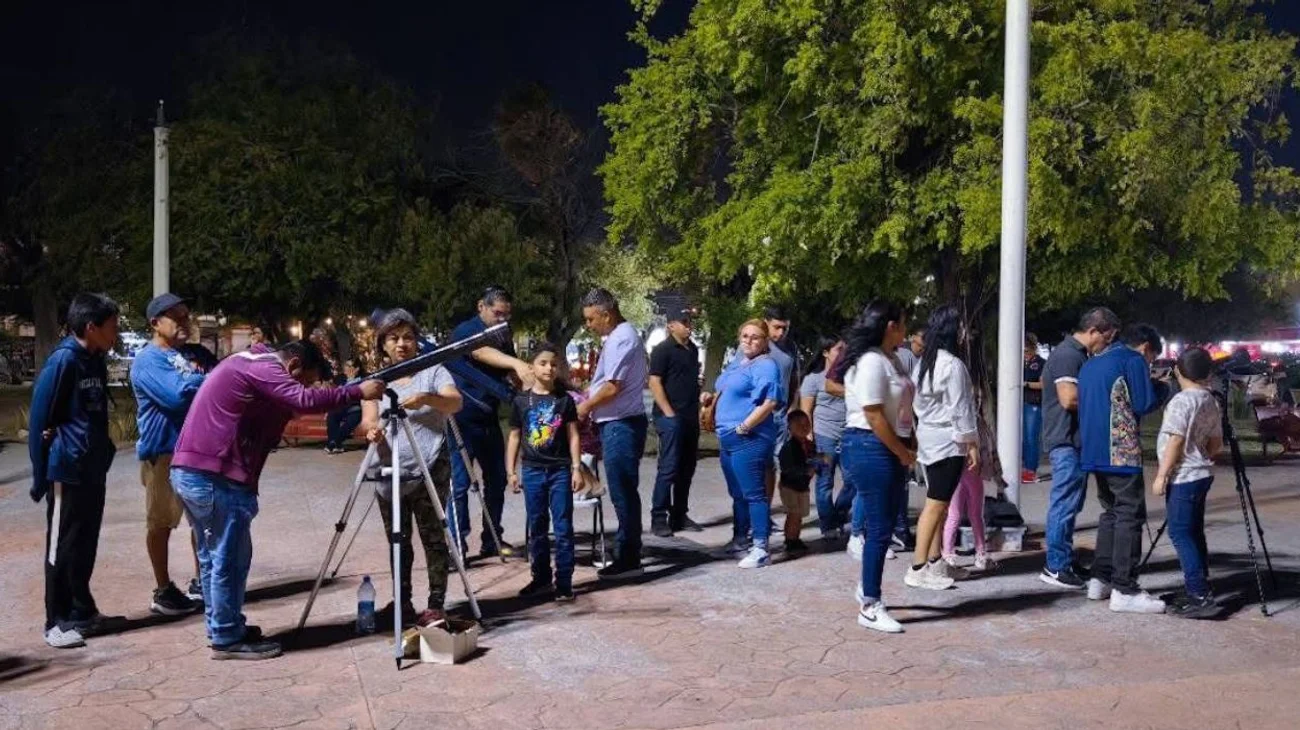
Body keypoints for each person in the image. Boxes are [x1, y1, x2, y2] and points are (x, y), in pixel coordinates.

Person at [171, 340, 384, 660]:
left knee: (215, 558)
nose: (304, 387)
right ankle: (227, 638)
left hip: (197, 472)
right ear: (294, 366)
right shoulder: (263, 366)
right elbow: (301, 398)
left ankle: (223, 627)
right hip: (215, 476)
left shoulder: (248, 363)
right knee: (229, 559)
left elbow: (286, 406)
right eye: (306, 380)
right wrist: (357, 392)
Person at [28, 294, 120, 649]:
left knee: (85, 544)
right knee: (62, 547)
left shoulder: (94, 359)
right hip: (67, 471)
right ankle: (56, 620)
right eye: (111, 327)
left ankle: (82, 611)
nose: (115, 334)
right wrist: (40, 478)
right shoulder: (63, 361)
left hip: (93, 469)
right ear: (91, 327)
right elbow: (40, 420)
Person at [360, 310, 462, 627]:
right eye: (394, 338)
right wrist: (370, 430)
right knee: (398, 540)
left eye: (408, 337)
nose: (402, 344)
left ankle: (436, 603)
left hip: (431, 465)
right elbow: (367, 417)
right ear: (383, 345)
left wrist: (427, 399)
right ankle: (402, 602)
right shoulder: (375, 382)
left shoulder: (434, 372)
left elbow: (454, 402)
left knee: (434, 537)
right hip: (389, 470)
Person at [834, 299, 914, 633]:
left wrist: (909, 443)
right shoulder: (870, 362)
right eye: (904, 322)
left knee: (882, 524)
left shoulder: (889, 359)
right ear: (890, 325)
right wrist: (901, 451)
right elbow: (873, 414)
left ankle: (867, 587)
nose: (907, 328)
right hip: (870, 446)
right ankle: (870, 605)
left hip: (887, 446)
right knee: (879, 529)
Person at [1078, 323, 1167, 614]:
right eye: (1152, 357)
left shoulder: (1092, 364)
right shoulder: (1133, 360)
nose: (1150, 363)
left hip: (1093, 451)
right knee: (1130, 514)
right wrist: (1162, 387)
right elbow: (1142, 404)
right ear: (1146, 347)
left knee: (1111, 513)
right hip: (1120, 450)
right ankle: (1125, 588)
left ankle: (1100, 579)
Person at [130, 293, 205, 617]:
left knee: (201, 520)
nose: (184, 322)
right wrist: (203, 381)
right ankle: (162, 590)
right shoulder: (149, 360)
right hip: (163, 453)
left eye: (186, 315)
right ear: (155, 323)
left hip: (189, 450)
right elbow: (176, 396)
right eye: (176, 316)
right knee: (161, 522)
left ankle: (202, 582)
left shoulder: (180, 356)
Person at [447, 286, 533, 559]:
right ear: (481, 307)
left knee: (496, 480)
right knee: (459, 484)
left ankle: (492, 538)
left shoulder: (502, 336)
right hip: (461, 419)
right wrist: (516, 363)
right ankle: (457, 544)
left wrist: (520, 377)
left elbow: (507, 370)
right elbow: (479, 352)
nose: (502, 320)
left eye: (507, 316)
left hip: (488, 419)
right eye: (498, 313)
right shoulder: (466, 330)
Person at [1039, 307, 1121, 589]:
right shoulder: (1068, 355)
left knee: (1070, 504)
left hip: (1072, 441)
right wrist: (1105, 401)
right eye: (1106, 339)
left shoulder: (1076, 354)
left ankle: (1063, 559)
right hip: (1066, 441)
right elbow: (1068, 399)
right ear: (1094, 331)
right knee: (1064, 504)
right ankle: (1056, 566)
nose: (1106, 345)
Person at [577, 288, 650, 579]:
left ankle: (628, 556)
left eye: (590, 319)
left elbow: (612, 387)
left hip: (622, 423)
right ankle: (627, 550)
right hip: (617, 422)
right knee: (623, 490)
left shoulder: (622, 338)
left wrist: (585, 407)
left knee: (622, 491)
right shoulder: (618, 337)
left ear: (606, 314)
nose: (588, 325)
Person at [905, 305, 978, 591]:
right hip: (948, 441)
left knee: (941, 503)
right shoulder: (952, 365)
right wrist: (971, 444)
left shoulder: (925, 363)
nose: (965, 331)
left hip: (930, 438)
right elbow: (961, 410)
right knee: (936, 505)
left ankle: (935, 562)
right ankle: (918, 567)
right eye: (961, 326)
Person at [702, 320, 783, 568]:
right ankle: (740, 539)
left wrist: (744, 427)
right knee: (738, 494)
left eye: (755, 337)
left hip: (749, 437)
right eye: (745, 336)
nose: (748, 340)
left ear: (765, 340)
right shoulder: (739, 363)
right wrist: (709, 397)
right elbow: (725, 389)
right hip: (728, 437)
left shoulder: (766, 365)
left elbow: (770, 402)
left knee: (754, 494)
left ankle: (760, 546)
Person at [506, 343, 583, 601]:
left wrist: (576, 468)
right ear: (532, 367)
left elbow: (573, 435)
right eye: (543, 363)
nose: (549, 368)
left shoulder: (564, 400)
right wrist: (511, 471)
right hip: (532, 471)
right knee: (537, 526)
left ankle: (564, 581)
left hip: (560, 470)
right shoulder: (521, 401)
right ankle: (540, 577)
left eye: (553, 363)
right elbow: (515, 437)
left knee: (563, 527)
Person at [1152, 347, 1224, 619]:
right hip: (1202, 474)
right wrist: (1204, 454)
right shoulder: (1209, 399)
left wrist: (1162, 474)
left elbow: (1176, 439)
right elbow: (1216, 442)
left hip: (1183, 476)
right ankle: (1200, 585)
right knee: (1194, 532)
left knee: (1180, 533)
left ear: (1178, 371)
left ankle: (1199, 595)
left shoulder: (1181, 401)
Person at [649, 306, 702, 536]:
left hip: (690, 416)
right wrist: (668, 412)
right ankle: (658, 517)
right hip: (670, 418)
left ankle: (679, 514)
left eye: (690, 321)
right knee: (668, 467)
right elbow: (654, 382)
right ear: (671, 325)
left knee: (687, 467)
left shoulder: (693, 350)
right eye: (684, 322)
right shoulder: (662, 350)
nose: (689, 326)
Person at [799, 336, 854, 539]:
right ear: (825, 352)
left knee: (853, 480)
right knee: (825, 482)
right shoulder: (813, 378)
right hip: (824, 435)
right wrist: (808, 435)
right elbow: (806, 410)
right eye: (838, 349)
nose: (843, 353)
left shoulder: (850, 375)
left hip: (848, 434)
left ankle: (838, 514)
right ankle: (827, 524)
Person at [762, 306, 798, 503]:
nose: (781, 332)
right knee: (759, 466)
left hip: (781, 417)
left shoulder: (791, 347)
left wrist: (792, 410)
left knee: (774, 466)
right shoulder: (757, 344)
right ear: (766, 322)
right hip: (758, 415)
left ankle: (765, 513)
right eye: (777, 327)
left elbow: (794, 381)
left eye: (785, 328)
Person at [778, 410, 815, 552]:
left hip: (802, 486)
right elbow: (787, 468)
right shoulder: (788, 447)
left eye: (806, 424)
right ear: (790, 427)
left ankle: (795, 538)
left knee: (799, 515)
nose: (803, 427)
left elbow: (814, 459)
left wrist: (820, 461)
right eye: (798, 425)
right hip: (790, 486)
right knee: (793, 514)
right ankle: (790, 540)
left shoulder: (809, 445)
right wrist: (805, 471)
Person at [325, 359, 366, 454]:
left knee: (353, 418)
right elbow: (336, 393)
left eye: (348, 365)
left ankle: (334, 442)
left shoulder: (363, 378)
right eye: (345, 365)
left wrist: (352, 381)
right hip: (342, 406)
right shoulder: (341, 378)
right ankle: (334, 444)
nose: (345, 367)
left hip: (357, 407)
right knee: (332, 415)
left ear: (356, 369)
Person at [1022, 334, 1046, 484]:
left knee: (1031, 438)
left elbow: (1043, 384)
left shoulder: (1041, 363)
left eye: (1026, 350)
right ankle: (1023, 468)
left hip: (1033, 403)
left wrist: (1026, 384)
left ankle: (1031, 470)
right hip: (1020, 402)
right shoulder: (1018, 362)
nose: (1025, 353)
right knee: (1021, 438)